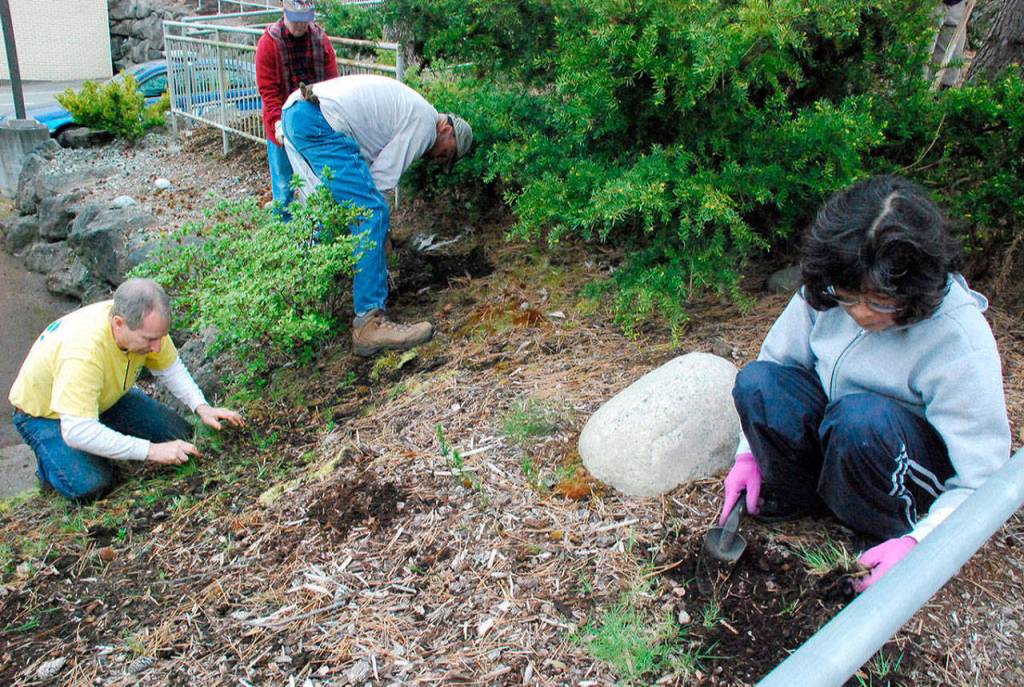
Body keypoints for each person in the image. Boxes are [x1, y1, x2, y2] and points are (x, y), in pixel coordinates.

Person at [718, 175, 1010, 592]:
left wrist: (919, 543)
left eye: (879, 301)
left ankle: (880, 529)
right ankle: (805, 499)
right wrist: (749, 456)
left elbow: (982, 480)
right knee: (759, 383)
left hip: (895, 466)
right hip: (841, 447)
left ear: (915, 287)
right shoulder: (829, 287)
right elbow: (778, 364)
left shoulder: (957, 339)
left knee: (860, 418)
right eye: (848, 296)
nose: (860, 313)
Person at [279, 74, 474, 356]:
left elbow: (367, 174)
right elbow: (380, 182)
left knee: (324, 211)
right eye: (448, 153)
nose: (439, 159)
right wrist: (378, 235)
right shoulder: (425, 124)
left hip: (299, 113)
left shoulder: (411, 110)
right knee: (372, 211)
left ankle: (301, 307)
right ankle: (369, 322)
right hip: (319, 120)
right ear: (447, 129)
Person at [8, 279, 245, 502]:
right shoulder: (83, 352)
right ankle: (49, 466)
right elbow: (77, 430)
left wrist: (202, 407)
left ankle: (102, 436)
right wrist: (151, 451)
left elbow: (170, 367)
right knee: (90, 485)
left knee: (180, 435)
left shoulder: (146, 327)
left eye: (161, 337)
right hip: (46, 415)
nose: (157, 347)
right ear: (119, 323)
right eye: (150, 339)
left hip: (106, 398)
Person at [255, 0, 339, 218]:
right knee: (285, 187)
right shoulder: (269, 43)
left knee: (320, 182)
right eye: (296, 20)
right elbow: (268, 91)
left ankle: (318, 234)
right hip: (281, 122)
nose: (301, 25)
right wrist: (277, 125)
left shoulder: (320, 41)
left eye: (305, 20)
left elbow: (332, 85)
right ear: (285, 12)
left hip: (314, 124)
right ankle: (285, 235)